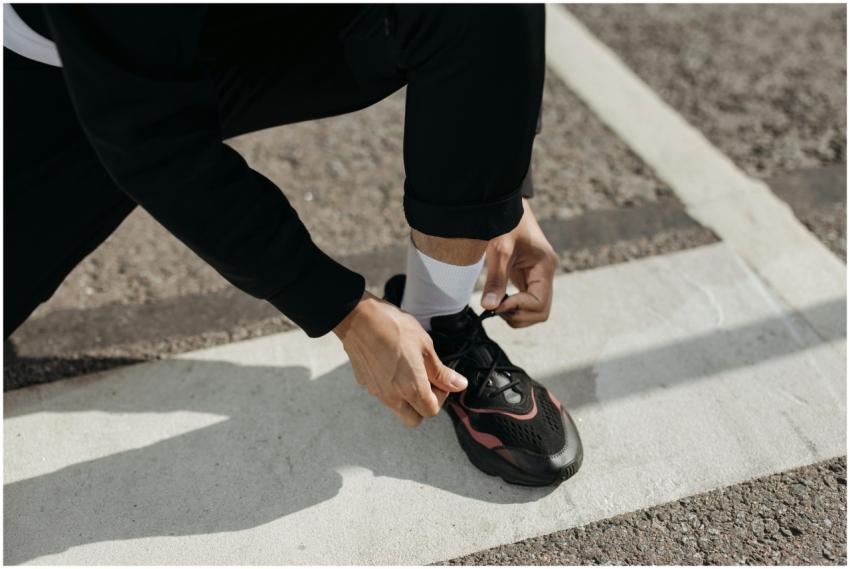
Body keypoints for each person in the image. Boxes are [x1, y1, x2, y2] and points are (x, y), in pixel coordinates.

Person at [4, 4, 582, 486]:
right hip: (80, 69)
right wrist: (344, 313)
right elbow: (152, 140)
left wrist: (501, 193)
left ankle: (440, 320)